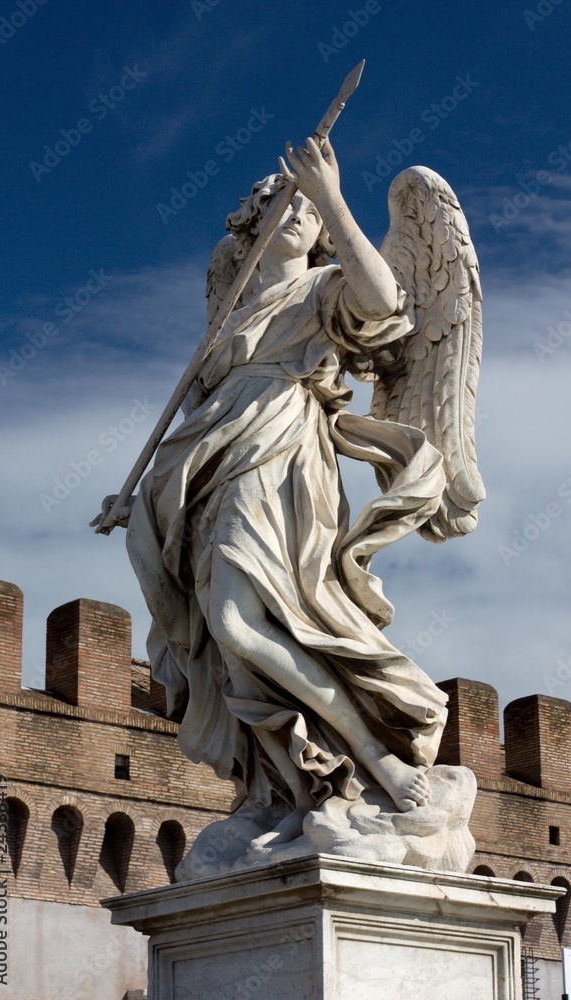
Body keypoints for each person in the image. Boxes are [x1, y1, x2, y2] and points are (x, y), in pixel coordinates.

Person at [99, 137, 450, 852]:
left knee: (241, 618)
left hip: (284, 465)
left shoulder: (321, 292)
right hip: (207, 473)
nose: (293, 213)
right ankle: (286, 785)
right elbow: (196, 416)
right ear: (252, 224)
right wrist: (139, 501)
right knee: (235, 635)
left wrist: (331, 196)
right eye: (279, 203)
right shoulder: (225, 318)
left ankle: (377, 757)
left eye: (303, 208)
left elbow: (385, 300)